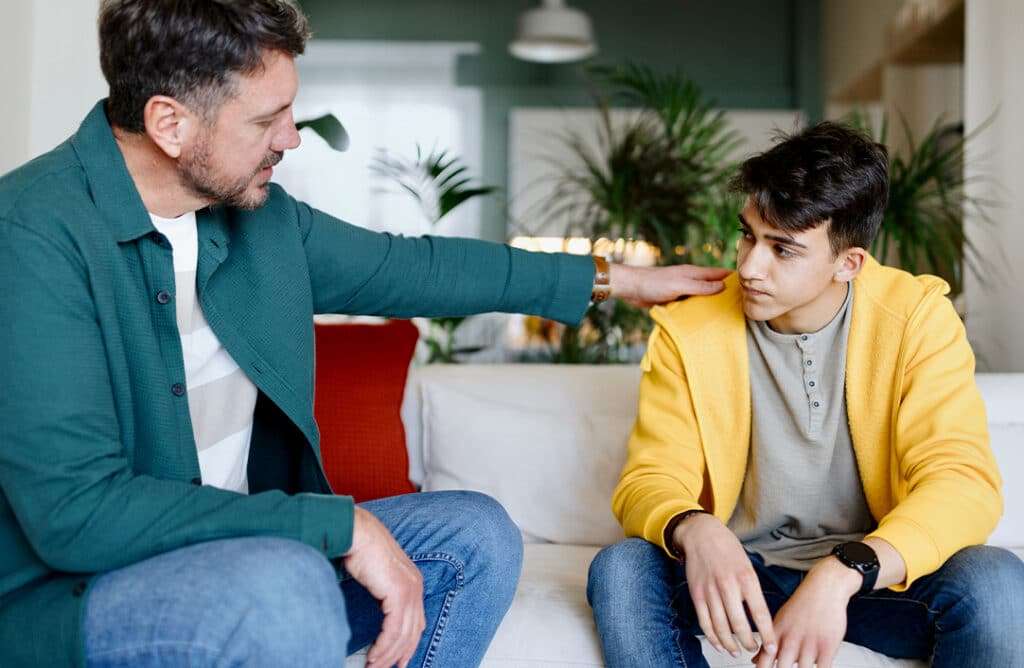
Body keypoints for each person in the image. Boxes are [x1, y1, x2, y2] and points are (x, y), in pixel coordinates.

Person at [0, 2, 732, 667]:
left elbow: (418, 267)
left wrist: (618, 280)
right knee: (282, 586)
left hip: (247, 554)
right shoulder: (33, 234)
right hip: (81, 595)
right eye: (267, 119)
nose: (290, 137)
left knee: (474, 533)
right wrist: (337, 525)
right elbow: (76, 515)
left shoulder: (260, 221)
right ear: (170, 124)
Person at [587, 121, 1024, 668]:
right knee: (623, 568)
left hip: (869, 582)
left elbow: (962, 483)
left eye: (783, 249)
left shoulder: (916, 320)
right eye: (748, 234)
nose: (749, 266)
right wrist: (693, 528)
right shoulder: (689, 329)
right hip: (739, 581)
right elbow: (648, 479)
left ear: (849, 263)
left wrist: (846, 571)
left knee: (997, 580)